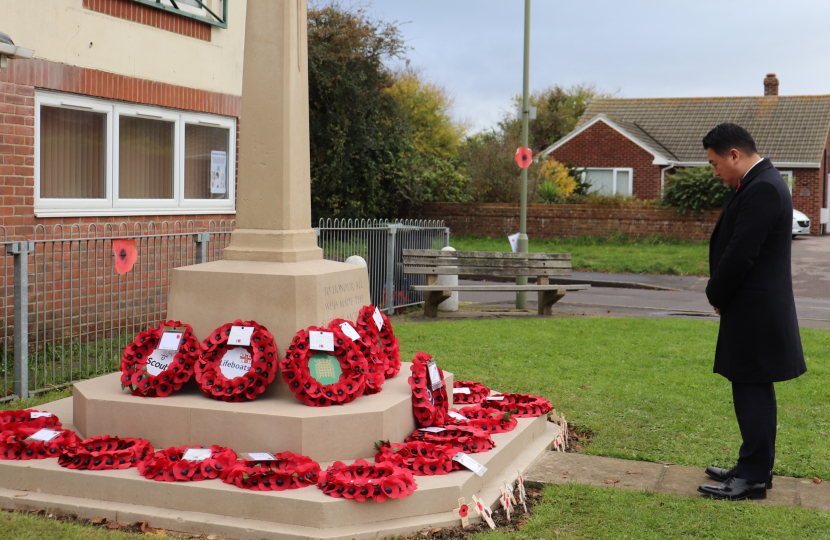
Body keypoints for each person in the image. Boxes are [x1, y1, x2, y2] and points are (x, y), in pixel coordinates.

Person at [696, 123, 806, 501]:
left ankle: (754, 478)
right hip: (753, 306)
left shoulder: (762, 188)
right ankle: (750, 465)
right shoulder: (762, 182)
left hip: (755, 309)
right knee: (750, 389)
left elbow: (742, 252)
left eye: (715, 163)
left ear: (734, 155)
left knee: (753, 390)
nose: (715, 172)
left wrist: (716, 291)